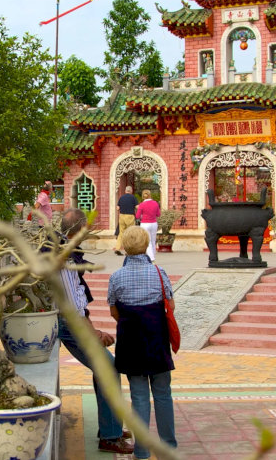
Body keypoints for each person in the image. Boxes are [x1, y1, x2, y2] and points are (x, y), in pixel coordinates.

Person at [56, 208, 134, 454]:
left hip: (70, 321)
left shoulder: (64, 249)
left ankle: (110, 427)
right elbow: (72, 306)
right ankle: (110, 436)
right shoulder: (64, 256)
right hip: (67, 323)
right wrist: (94, 334)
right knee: (108, 369)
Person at [107, 226, 177, 460]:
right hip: (156, 339)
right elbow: (170, 305)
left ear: (125, 247)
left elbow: (114, 311)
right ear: (147, 245)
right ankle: (168, 446)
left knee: (138, 396)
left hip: (130, 341)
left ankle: (142, 450)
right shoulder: (159, 272)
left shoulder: (117, 277)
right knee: (163, 392)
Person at [135, 189, 161, 262]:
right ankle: (153, 256)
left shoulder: (142, 204)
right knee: (153, 241)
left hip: (145, 224)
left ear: (143, 196)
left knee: (147, 242)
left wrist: (142, 214)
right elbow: (158, 214)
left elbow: (137, 216)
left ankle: (151, 259)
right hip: (153, 223)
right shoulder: (155, 203)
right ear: (150, 195)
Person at [115, 186, 138, 255]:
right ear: (131, 191)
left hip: (122, 216)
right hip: (130, 216)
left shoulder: (121, 197)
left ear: (125, 191)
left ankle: (117, 248)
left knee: (121, 233)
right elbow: (137, 207)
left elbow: (117, 208)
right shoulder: (133, 197)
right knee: (130, 233)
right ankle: (128, 250)